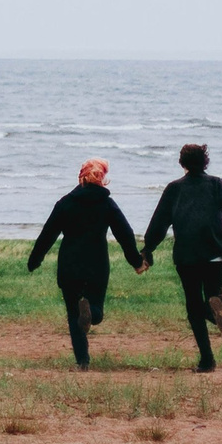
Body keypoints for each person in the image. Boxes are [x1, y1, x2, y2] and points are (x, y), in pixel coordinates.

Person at [141, 142, 222, 372]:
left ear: (182, 163)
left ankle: (207, 359)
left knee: (193, 307)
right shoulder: (216, 184)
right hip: (215, 253)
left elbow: (159, 221)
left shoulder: (174, 189)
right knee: (213, 295)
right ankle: (216, 308)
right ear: (205, 162)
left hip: (187, 256)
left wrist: (148, 248)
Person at [27, 158, 147, 368]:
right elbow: (124, 234)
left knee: (74, 315)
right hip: (97, 264)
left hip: (69, 264)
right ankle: (92, 311)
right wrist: (136, 261)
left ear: (80, 176)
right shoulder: (107, 204)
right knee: (95, 309)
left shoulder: (65, 202)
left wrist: (34, 260)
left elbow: (48, 234)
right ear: (103, 179)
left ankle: (83, 361)